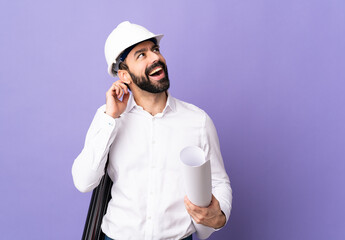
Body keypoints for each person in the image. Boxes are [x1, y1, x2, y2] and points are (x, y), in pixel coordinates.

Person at [72, 21, 232, 240]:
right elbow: (84, 181)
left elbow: (219, 181)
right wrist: (110, 119)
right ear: (124, 75)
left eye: (155, 50)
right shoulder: (108, 117)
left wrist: (218, 216)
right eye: (141, 55)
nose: (155, 57)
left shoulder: (198, 120)